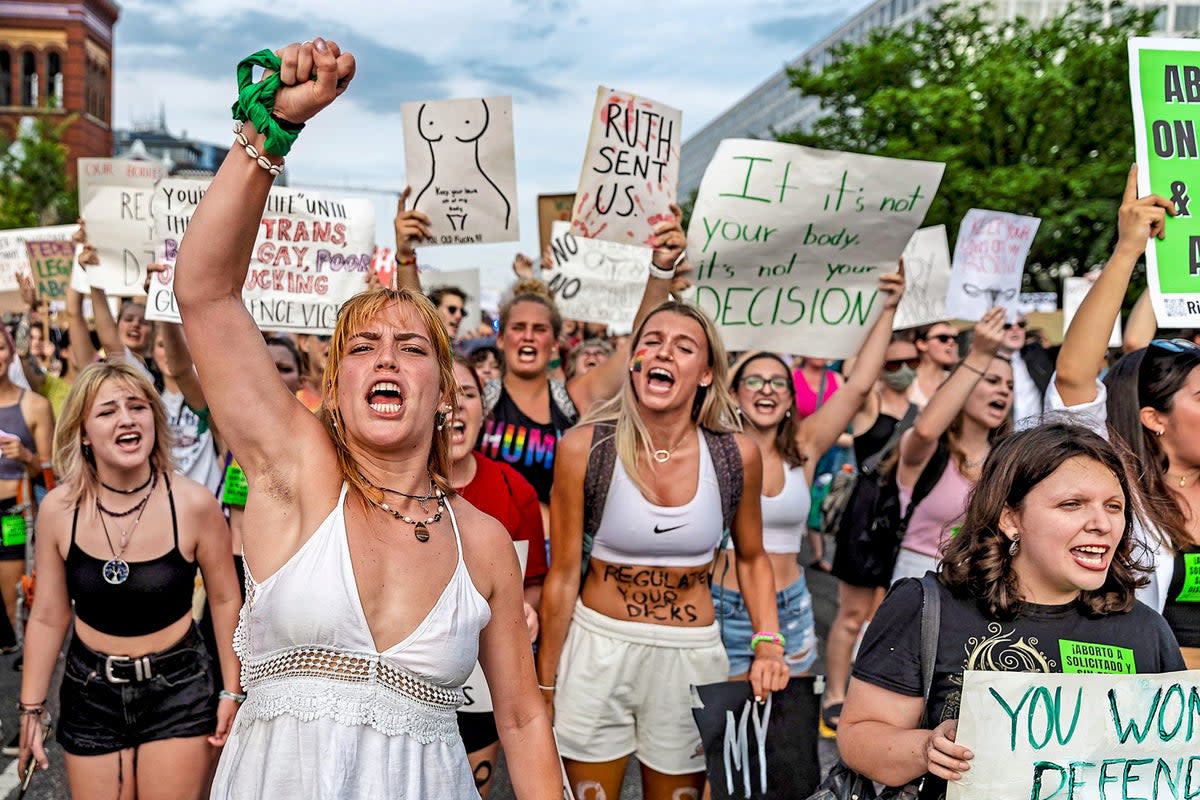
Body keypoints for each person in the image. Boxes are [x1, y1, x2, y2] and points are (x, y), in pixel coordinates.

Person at [174, 38, 559, 798]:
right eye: (364, 347)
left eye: (412, 347)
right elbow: (206, 294)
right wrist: (269, 135)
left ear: (447, 391)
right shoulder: (296, 479)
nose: (386, 359)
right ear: (334, 385)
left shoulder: (480, 542)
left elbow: (519, 720)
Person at [839, 423, 1185, 800]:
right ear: (1010, 519)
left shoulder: (1145, 630)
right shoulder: (926, 606)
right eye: (1072, 504)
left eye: (1114, 507)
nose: (1101, 524)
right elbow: (859, 736)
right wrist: (926, 749)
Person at [538, 300, 789, 800]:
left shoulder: (735, 455)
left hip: (691, 656)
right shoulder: (584, 447)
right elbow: (563, 575)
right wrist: (543, 685)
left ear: (705, 373)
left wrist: (768, 642)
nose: (663, 353)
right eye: (651, 341)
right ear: (634, 361)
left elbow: (753, 557)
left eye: (684, 346)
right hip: (597, 647)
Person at [18, 359, 243, 799]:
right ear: (83, 431)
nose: (126, 419)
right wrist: (30, 707)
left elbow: (225, 602)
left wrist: (231, 692)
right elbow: (47, 616)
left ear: (154, 420)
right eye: (107, 412)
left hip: (177, 688)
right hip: (90, 691)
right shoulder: (59, 510)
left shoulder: (194, 505)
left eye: (137, 407)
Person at [715, 270, 905, 690]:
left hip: (792, 607)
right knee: (718, 739)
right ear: (735, 393)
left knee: (783, 735)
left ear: (789, 398)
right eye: (754, 381)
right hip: (722, 606)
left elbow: (857, 386)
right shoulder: (713, 448)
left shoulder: (802, 445)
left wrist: (888, 308)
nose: (766, 389)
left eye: (777, 383)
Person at [1050, 165, 1200, 664]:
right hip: (1144, 714)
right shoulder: (1118, 488)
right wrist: (1127, 252)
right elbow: (1073, 378)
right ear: (1156, 418)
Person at [448, 357, 547, 798]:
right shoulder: (383, 489)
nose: (455, 405)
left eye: (467, 394)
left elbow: (533, 586)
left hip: (478, 689)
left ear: (482, 412)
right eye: (444, 393)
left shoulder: (514, 490)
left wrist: (528, 613)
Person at [823, 333, 921, 730]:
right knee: (851, 614)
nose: (902, 370)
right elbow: (856, 379)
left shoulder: (919, 410)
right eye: (892, 364)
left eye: (908, 361)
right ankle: (834, 694)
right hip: (864, 518)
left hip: (899, 519)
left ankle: (872, 697)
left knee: (885, 616)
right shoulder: (869, 402)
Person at [891, 308, 1013, 583]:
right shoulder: (930, 450)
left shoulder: (1006, 462)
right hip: (919, 576)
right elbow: (924, 431)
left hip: (980, 582)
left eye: (1009, 385)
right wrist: (978, 356)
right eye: (991, 380)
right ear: (960, 387)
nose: (1004, 390)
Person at [0, 327, 53, 648]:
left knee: (11, 598)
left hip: (12, 515)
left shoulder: (34, 405)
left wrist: (27, 456)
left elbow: (49, 474)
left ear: (10, 352)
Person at [910, 321, 959, 408]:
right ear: (922, 344)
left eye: (955, 338)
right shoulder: (906, 380)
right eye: (943, 338)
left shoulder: (957, 381)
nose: (951, 342)